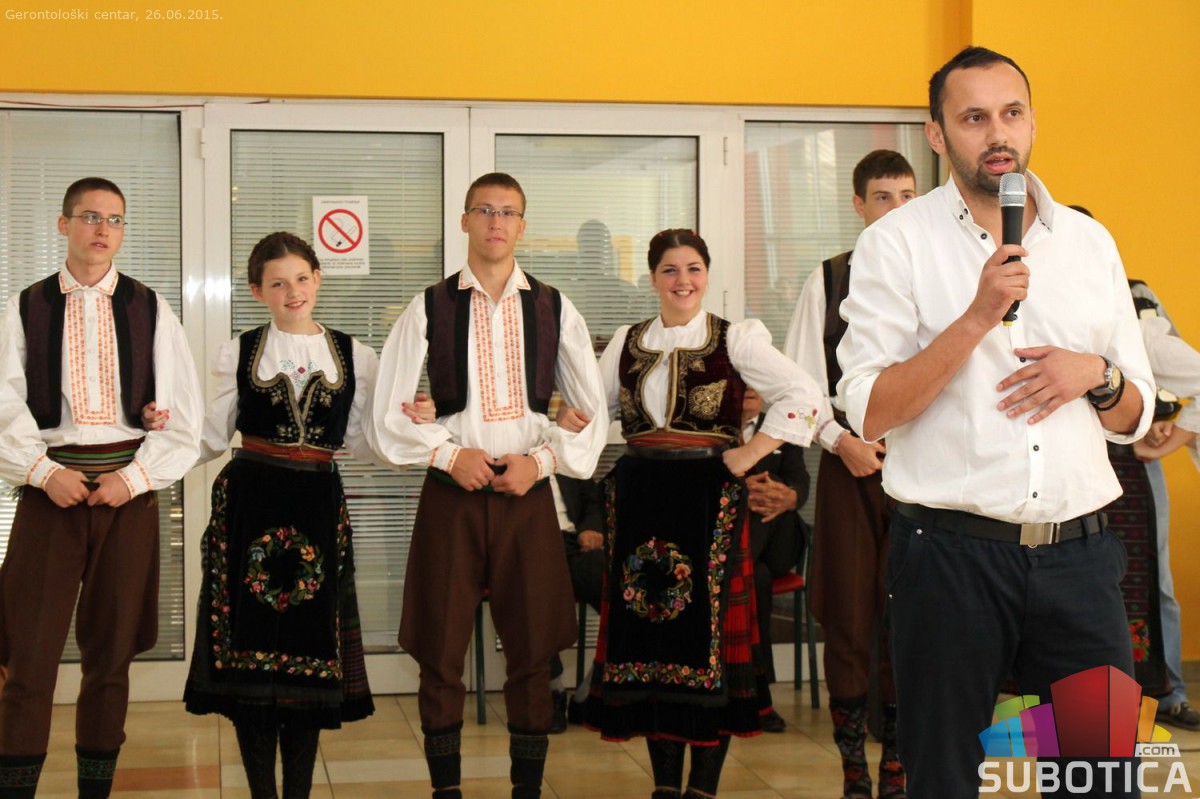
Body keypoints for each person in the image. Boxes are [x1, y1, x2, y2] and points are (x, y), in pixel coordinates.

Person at [835, 48, 1154, 798]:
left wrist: (1097, 374)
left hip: (1079, 560)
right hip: (949, 560)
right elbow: (870, 408)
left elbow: (1136, 416)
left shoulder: (1089, 242)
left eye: (1011, 113)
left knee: (1102, 780)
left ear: (1033, 121)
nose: (997, 132)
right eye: (973, 117)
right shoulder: (896, 242)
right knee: (944, 780)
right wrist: (978, 315)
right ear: (938, 134)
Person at [368, 172, 608, 799]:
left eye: (507, 212)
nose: (496, 222)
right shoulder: (428, 306)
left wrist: (543, 463)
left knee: (532, 653)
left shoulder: (555, 308)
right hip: (452, 494)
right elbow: (385, 416)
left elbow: (593, 415)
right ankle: (445, 791)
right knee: (440, 650)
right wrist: (448, 454)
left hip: (527, 494)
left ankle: (526, 790)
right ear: (465, 221)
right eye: (484, 210)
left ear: (522, 226)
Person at [177, 232, 428, 799]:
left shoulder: (356, 355)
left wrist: (417, 425)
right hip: (249, 505)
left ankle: (297, 793)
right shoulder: (238, 351)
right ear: (257, 291)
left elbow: (366, 442)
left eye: (301, 278)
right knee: (248, 650)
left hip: (317, 505)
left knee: (309, 652)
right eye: (277, 283)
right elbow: (209, 436)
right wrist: (151, 444)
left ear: (318, 279)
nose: (292, 292)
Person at [577, 228, 821, 799]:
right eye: (669, 269)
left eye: (693, 269)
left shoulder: (736, 338)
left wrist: (751, 453)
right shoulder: (627, 341)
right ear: (652, 277)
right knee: (650, 640)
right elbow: (591, 411)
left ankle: (702, 789)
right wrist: (556, 427)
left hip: (708, 500)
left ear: (707, 275)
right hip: (640, 497)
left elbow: (805, 394)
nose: (682, 280)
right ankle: (666, 787)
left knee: (707, 642)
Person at [0, 177, 203, 798]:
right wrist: (44, 473)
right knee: (28, 658)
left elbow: (184, 417)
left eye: (114, 220)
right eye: (90, 217)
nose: (102, 229)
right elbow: (2, 403)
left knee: (111, 658)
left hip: (127, 497)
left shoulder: (150, 307)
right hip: (50, 493)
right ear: (64, 225)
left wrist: (132, 479)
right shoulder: (24, 306)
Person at [783, 149, 916, 798]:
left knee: (911, 614)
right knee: (847, 610)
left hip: (923, 468)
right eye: (883, 197)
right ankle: (853, 768)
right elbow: (799, 386)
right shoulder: (830, 279)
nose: (896, 208)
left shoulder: (940, 274)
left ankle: (897, 761)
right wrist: (841, 441)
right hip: (849, 465)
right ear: (859, 205)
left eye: (907, 196)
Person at [740, 387, 808, 735]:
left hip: (779, 542)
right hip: (746, 549)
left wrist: (786, 496)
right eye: (742, 381)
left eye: (756, 382)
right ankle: (758, 695)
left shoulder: (780, 426)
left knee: (775, 482)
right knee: (757, 578)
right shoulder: (717, 433)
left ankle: (739, 563)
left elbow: (801, 482)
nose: (750, 389)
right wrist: (742, 491)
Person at [547, 473, 607, 733]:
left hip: (573, 543)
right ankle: (552, 691)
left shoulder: (566, 456)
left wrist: (591, 527)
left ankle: (590, 693)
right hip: (527, 543)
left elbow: (593, 500)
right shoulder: (502, 455)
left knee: (628, 596)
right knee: (533, 593)